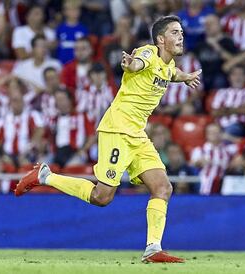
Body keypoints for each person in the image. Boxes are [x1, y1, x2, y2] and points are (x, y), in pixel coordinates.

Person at [15, 15, 201, 263]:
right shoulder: (147, 54)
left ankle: (153, 249)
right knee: (102, 197)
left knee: (163, 187)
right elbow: (137, 64)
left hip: (137, 135)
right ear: (160, 39)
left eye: (181, 32)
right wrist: (129, 64)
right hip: (117, 130)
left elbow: (171, 73)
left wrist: (185, 76)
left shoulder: (167, 66)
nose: (181, 36)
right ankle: (45, 176)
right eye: (175, 32)